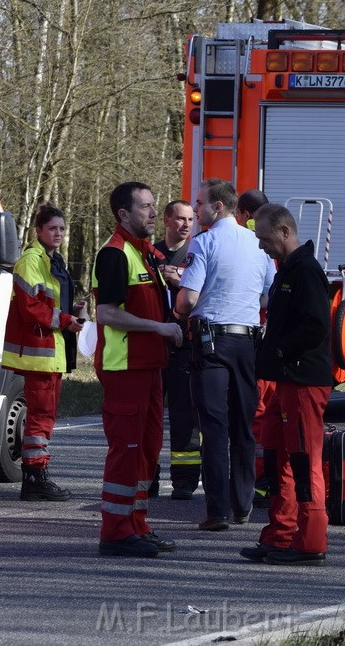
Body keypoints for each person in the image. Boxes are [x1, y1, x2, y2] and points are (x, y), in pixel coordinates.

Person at [175, 179, 275, 532]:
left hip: (211, 343)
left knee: (215, 428)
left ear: (218, 207)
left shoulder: (204, 242)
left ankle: (218, 511)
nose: (196, 208)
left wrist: (178, 310)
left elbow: (187, 300)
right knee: (244, 426)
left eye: (200, 203)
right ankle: (243, 504)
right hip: (246, 343)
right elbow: (266, 298)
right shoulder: (258, 244)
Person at [92, 181, 183, 558]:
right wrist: (160, 328)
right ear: (123, 214)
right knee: (126, 450)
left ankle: (137, 525)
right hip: (124, 368)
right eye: (144, 207)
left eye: (152, 205)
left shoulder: (144, 253)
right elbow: (106, 312)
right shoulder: (115, 254)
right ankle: (114, 531)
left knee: (146, 452)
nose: (151, 212)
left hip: (148, 367)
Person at [241, 203, 332, 566]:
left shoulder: (305, 271)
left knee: (303, 460)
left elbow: (316, 326)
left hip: (303, 381)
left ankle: (309, 542)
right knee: (278, 458)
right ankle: (281, 535)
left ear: (283, 231)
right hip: (286, 380)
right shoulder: (288, 270)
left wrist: (279, 352)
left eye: (265, 239)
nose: (262, 246)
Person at [1, 203, 86, 502]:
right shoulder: (31, 261)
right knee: (40, 417)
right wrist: (65, 320)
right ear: (39, 231)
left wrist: (72, 311)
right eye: (53, 228)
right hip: (40, 352)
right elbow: (31, 309)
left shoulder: (54, 260)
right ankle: (35, 478)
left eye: (62, 228)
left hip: (52, 350)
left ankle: (36, 477)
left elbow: (50, 303)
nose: (59, 233)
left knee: (44, 416)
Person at [153, 200, 200, 500]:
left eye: (190, 219)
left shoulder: (196, 253)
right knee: (152, 416)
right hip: (154, 344)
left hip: (185, 346)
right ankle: (148, 477)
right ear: (167, 221)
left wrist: (180, 281)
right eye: (180, 219)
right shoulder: (150, 253)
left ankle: (184, 482)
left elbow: (206, 292)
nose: (186, 224)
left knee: (185, 418)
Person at [234, 189, 274, 508]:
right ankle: (260, 478)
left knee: (256, 412)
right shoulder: (264, 246)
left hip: (248, 340)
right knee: (262, 411)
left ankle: (255, 479)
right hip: (261, 340)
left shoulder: (232, 240)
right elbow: (267, 294)